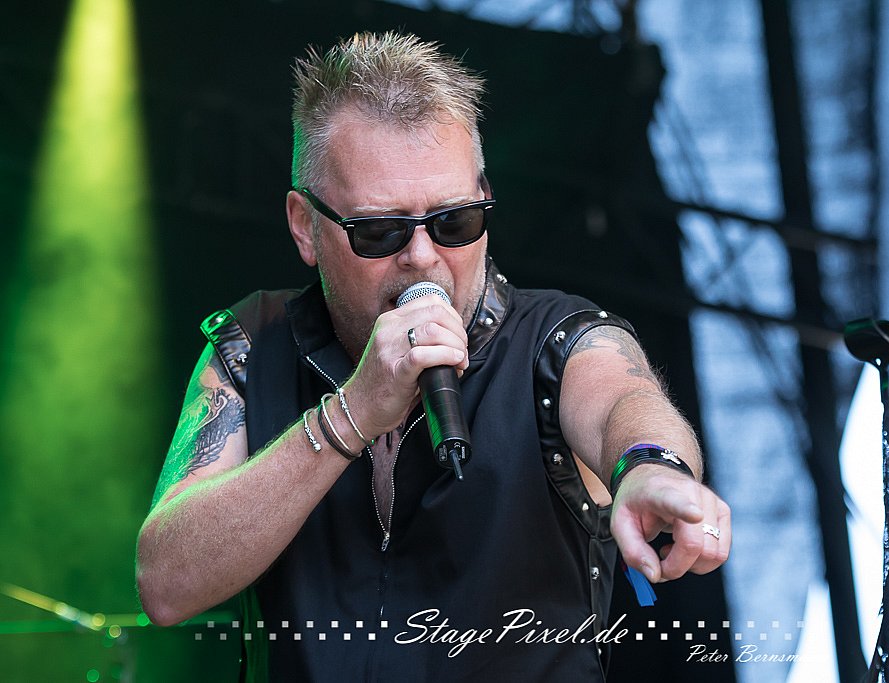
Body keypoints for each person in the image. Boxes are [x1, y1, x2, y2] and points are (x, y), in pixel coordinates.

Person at [135, 31, 730, 681]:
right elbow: (166, 584)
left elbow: (624, 397)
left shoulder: (558, 339)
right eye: (379, 231)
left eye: (454, 221)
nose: (421, 257)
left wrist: (650, 467)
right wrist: (353, 412)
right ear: (306, 227)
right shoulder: (252, 344)